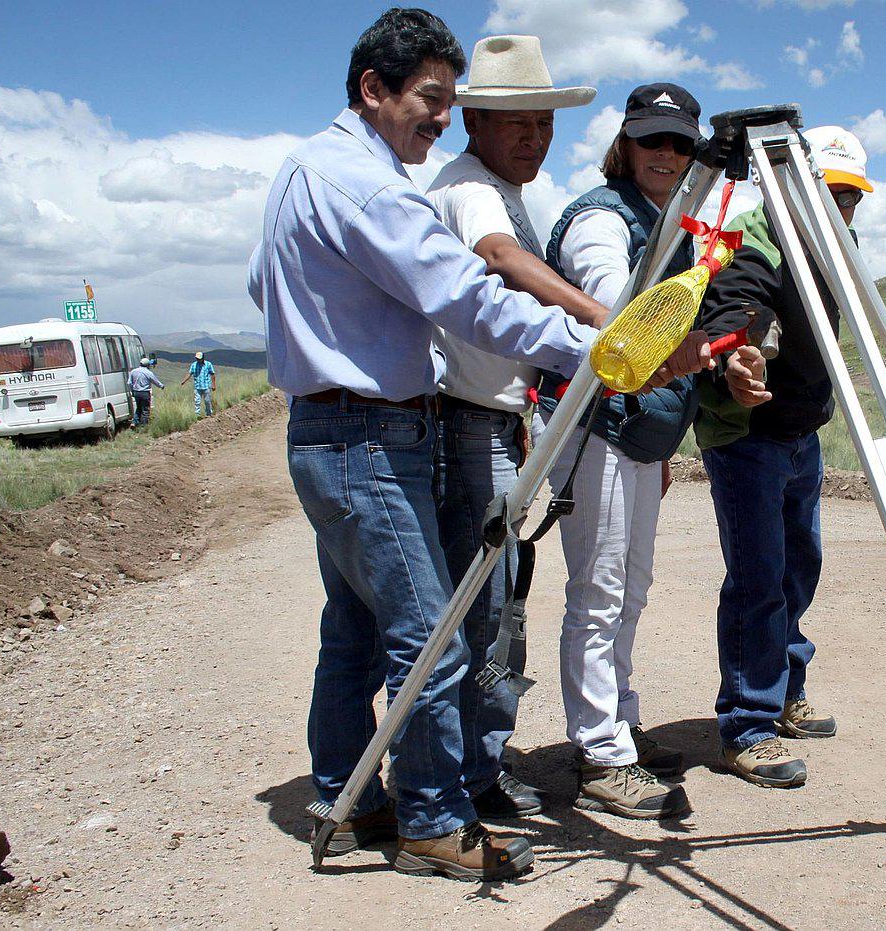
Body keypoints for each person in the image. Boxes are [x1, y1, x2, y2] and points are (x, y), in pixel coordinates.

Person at [246, 8, 707, 882]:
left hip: (332, 423)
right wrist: (606, 347)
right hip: (372, 432)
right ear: (372, 90)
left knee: (355, 628)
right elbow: (472, 297)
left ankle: (348, 795)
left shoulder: (306, 171)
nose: (439, 116)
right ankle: (431, 816)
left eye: (450, 100)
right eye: (429, 98)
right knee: (435, 630)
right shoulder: (372, 188)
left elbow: (262, 284)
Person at [423, 33, 602, 823]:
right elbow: (499, 259)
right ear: (476, 124)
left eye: (544, 125)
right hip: (466, 425)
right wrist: (602, 317)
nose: (534, 139)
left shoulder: (499, 186)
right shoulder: (473, 192)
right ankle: (471, 774)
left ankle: (474, 762)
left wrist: (520, 410)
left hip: (491, 417)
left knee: (497, 595)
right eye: (517, 124)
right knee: (488, 602)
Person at [541, 83, 728, 818]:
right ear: (625, 144)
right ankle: (599, 751)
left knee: (632, 587)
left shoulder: (666, 225)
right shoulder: (600, 219)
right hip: (598, 431)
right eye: (653, 140)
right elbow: (615, 308)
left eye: (681, 144)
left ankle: (619, 721)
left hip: (638, 440)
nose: (667, 155)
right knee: (600, 591)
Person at [693, 126, 873, 788]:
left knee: (800, 565)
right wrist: (738, 357)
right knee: (759, 577)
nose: (841, 208)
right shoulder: (750, 239)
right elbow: (733, 309)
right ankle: (747, 723)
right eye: (831, 193)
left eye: (852, 198)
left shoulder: (835, 241)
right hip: (746, 431)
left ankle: (786, 686)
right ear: (790, 184)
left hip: (801, 426)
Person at [127, 357, 164, 426]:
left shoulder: (133, 371)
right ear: (147, 365)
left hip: (136, 392)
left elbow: (129, 383)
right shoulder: (148, 372)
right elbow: (155, 381)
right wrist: (161, 386)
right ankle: (144, 425)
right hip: (145, 393)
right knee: (145, 410)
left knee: (139, 408)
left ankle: (134, 422)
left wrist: (132, 391)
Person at [179, 352, 216, 417]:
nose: (198, 360)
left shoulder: (208, 364)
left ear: (203, 358)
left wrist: (213, 385)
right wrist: (184, 381)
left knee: (207, 401)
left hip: (206, 386)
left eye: (199, 359)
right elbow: (190, 373)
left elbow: (212, 374)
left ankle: (209, 414)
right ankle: (197, 415)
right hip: (197, 387)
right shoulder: (194, 365)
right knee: (197, 401)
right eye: (197, 359)